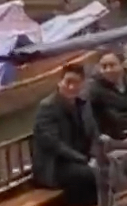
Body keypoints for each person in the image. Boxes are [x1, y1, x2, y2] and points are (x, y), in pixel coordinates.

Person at [32, 63, 99, 206]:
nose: (71, 87)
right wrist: (83, 160)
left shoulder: (83, 104)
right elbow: (53, 144)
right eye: (68, 82)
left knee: (109, 167)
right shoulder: (48, 107)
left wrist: (94, 155)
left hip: (80, 159)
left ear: (82, 84)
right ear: (60, 82)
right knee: (88, 174)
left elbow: (93, 132)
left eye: (76, 83)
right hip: (56, 165)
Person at [88, 53, 127, 143]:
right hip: (115, 141)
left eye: (112, 65)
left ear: (122, 64)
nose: (108, 70)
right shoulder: (94, 91)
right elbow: (92, 120)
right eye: (104, 67)